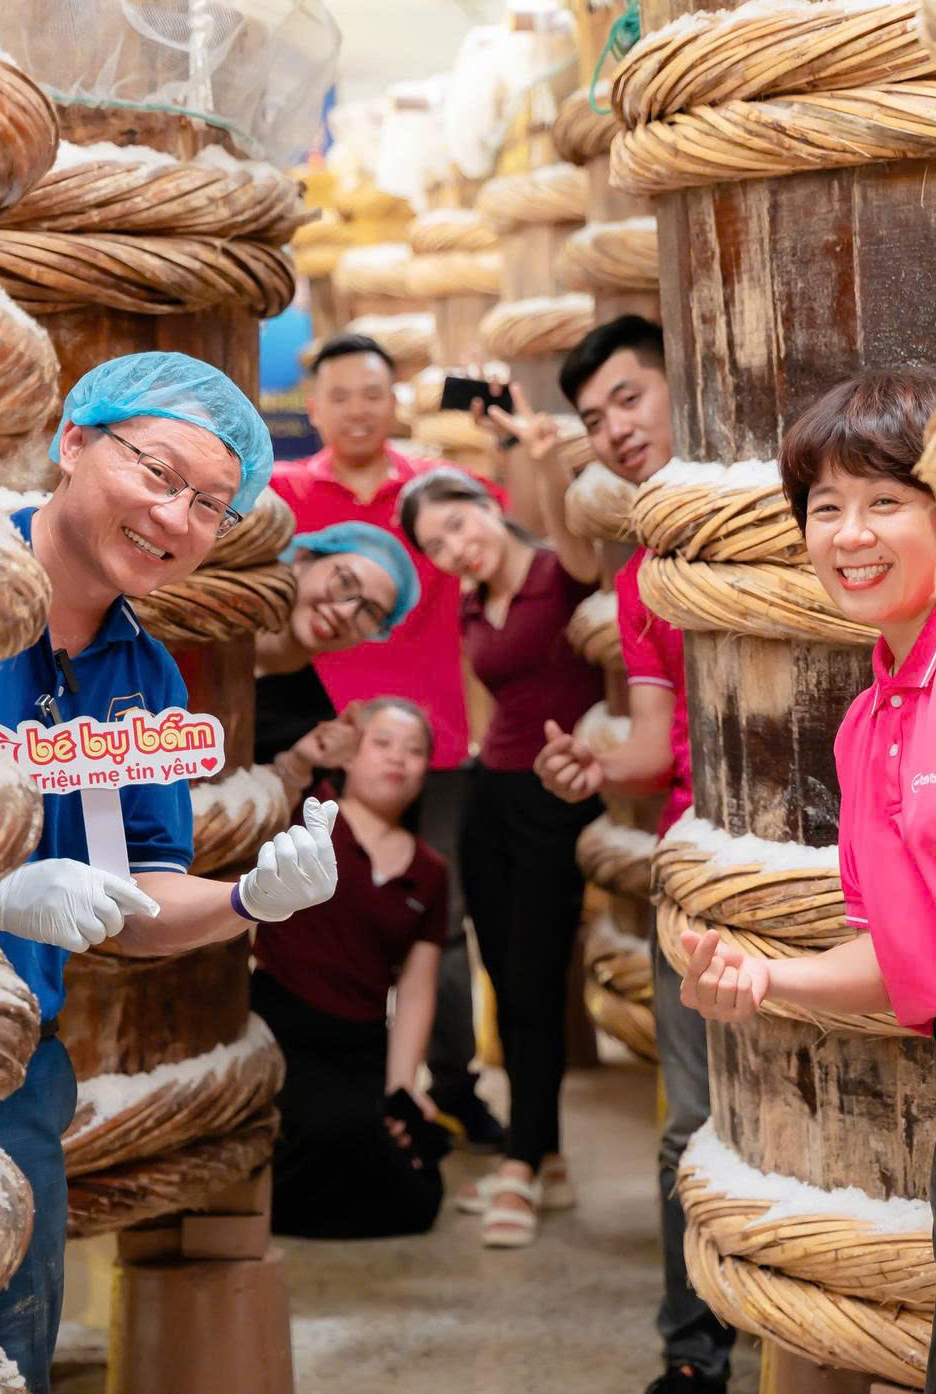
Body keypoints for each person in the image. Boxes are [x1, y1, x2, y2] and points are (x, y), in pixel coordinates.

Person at [0, 352, 344, 1393]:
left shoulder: (143, 676)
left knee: (8, 1351)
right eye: (156, 472)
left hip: (17, 1062)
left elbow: (136, 893)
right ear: (73, 442)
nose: (174, 517)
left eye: (209, 505)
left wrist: (246, 898)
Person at [676, 367, 936, 1394]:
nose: (850, 534)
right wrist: (763, 977)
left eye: (885, 500)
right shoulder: (865, 723)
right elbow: (903, 952)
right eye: (823, 507)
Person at [526, 315, 732, 1394]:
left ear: (681, 384)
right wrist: (592, 766)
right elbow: (654, 751)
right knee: (690, 1120)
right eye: (593, 417)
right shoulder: (646, 573)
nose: (613, 428)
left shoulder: (792, 525)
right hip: (695, 873)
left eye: (628, 398)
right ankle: (694, 1351)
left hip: (824, 874)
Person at [273, 332, 504, 1147]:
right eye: (339, 396)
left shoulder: (434, 490)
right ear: (314, 407)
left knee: (442, 923)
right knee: (309, 916)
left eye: (373, 393)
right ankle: (322, 1093)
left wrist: (520, 441)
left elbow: (515, 533)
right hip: (321, 742)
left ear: (394, 400)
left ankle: (452, 1088)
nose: (357, 410)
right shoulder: (282, 493)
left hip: (435, 747)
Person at [400, 461, 604, 1249]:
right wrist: (485, 751)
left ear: (489, 502)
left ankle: (519, 1164)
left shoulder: (561, 572)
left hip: (557, 800)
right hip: (491, 798)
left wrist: (542, 453)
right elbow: (495, 693)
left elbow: (578, 535)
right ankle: (543, 1155)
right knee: (505, 979)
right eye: (436, 546)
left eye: (457, 524)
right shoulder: (473, 601)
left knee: (533, 981)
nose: (455, 549)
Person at [250, 699, 456, 1239]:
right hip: (280, 1023)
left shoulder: (431, 870)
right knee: (327, 1134)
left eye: (414, 751)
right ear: (350, 756)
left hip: (362, 1039)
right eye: (381, 744)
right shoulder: (306, 812)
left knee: (414, 1191)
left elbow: (416, 987)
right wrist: (304, 759)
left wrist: (401, 1086)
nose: (398, 758)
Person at [254, 521, 421, 800]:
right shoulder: (205, 622)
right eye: (345, 583)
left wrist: (298, 763)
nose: (346, 612)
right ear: (302, 560)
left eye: (369, 612)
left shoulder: (312, 723)